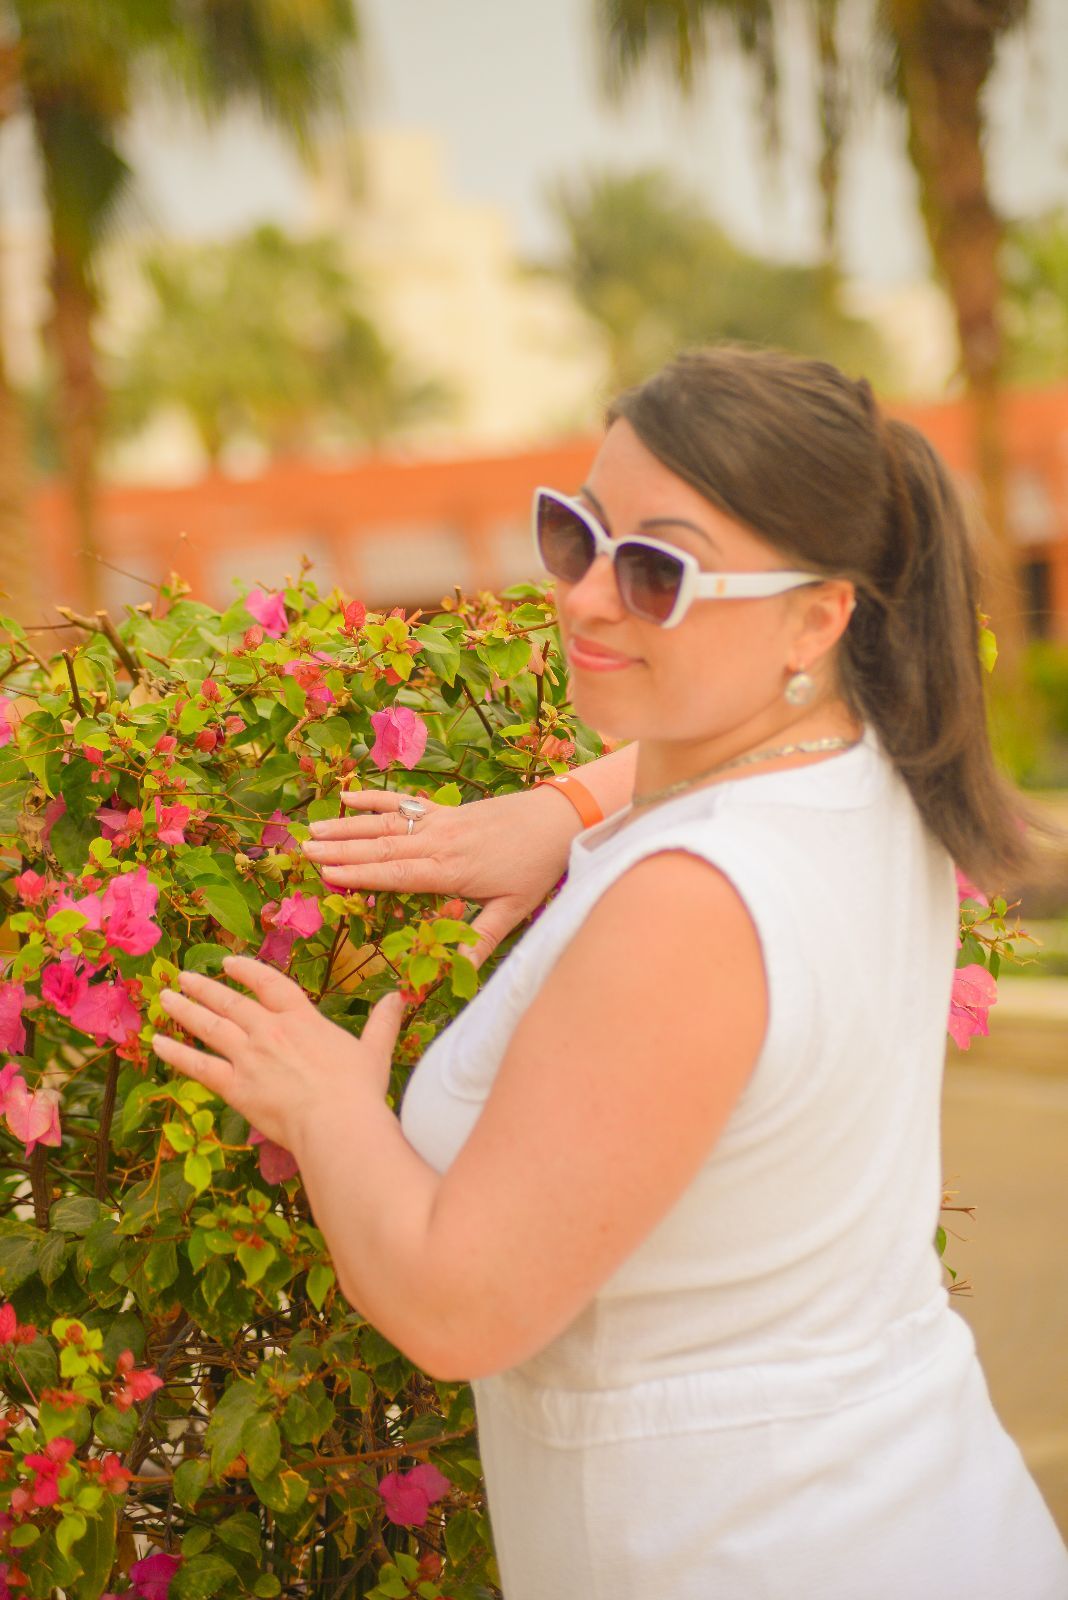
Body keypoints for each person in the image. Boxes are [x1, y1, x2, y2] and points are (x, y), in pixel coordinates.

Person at [153, 347, 1068, 1598]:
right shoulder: (874, 763)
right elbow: (723, 741)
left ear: (817, 615)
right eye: (575, 534)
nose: (586, 598)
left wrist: (324, 1105)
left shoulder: (690, 911)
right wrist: (565, 809)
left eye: (658, 573)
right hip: (909, 1508)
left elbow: (459, 1308)